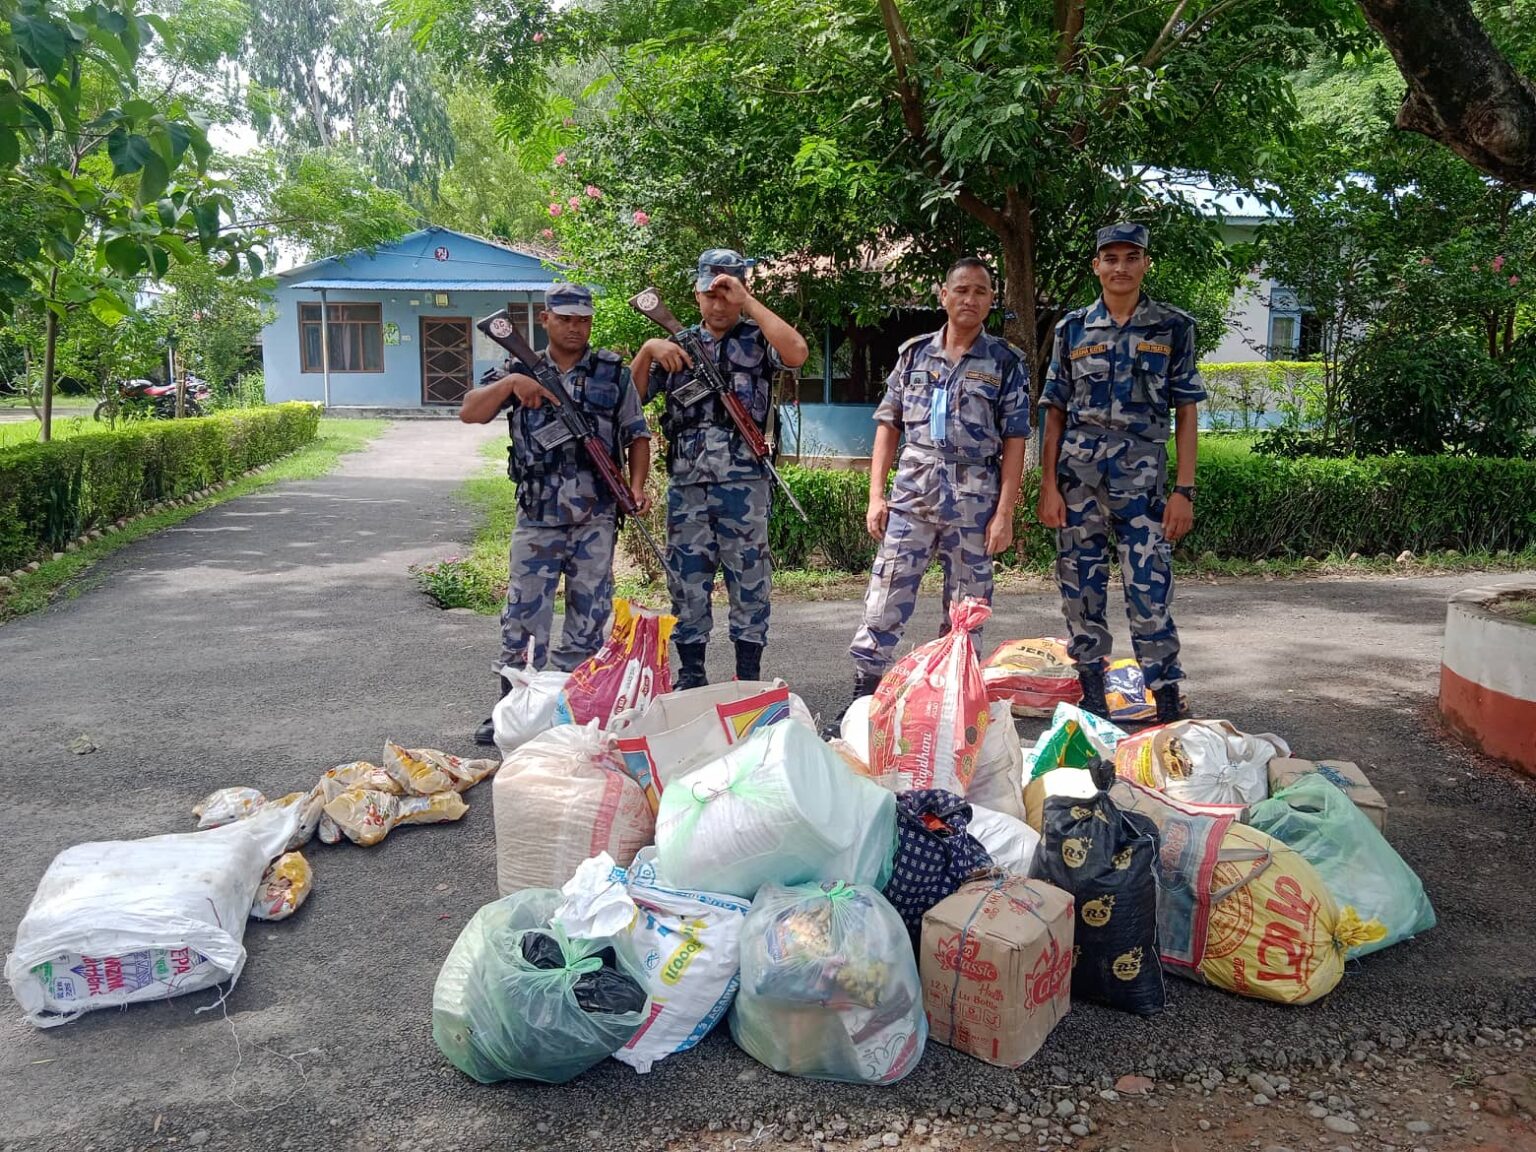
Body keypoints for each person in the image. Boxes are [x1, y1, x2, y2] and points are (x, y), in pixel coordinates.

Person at [833, 256, 1031, 720]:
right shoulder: (914, 354)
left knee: (966, 610)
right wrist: (875, 495)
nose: (970, 299)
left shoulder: (1004, 362)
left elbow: (1016, 440)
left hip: (975, 503)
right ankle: (863, 699)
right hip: (912, 498)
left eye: (980, 291)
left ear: (990, 302)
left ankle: (951, 709)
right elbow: (888, 425)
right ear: (943, 296)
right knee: (885, 600)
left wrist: (1004, 513)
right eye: (961, 289)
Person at [460, 283, 651, 745]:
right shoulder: (517, 366)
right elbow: (469, 411)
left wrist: (638, 486)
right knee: (524, 617)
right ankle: (510, 711)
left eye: (582, 319)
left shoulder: (612, 373)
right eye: (565, 318)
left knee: (589, 616)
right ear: (545, 319)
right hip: (538, 516)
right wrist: (510, 384)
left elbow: (637, 434)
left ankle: (572, 706)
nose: (574, 327)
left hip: (596, 518)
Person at [1035, 222, 1204, 724]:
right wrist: (1047, 486)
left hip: (1144, 486)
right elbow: (1055, 411)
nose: (1121, 268)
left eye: (1131, 258)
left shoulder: (1172, 327)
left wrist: (1184, 490)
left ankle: (1166, 703)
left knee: (1149, 593)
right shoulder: (1072, 329)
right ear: (1097, 267)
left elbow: (1187, 411)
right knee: (1080, 588)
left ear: (1145, 264)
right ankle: (1092, 697)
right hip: (1078, 482)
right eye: (1110, 258)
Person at [630, 248, 810, 688]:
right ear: (696, 295)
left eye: (728, 292)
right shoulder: (675, 346)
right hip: (688, 488)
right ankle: (691, 674)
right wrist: (648, 349)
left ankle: (747, 676)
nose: (719, 302)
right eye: (711, 293)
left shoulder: (756, 339)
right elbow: (630, 404)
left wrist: (749, 302)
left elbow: (797, 352)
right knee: (687, 582)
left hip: (744, 486)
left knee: (750, 581)